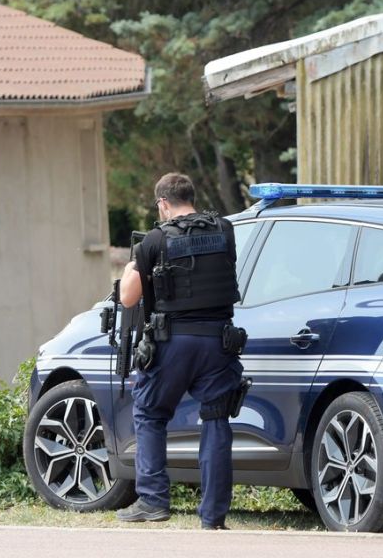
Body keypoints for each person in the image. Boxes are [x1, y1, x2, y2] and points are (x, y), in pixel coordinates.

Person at [115, 173, 246, 530]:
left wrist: (130, 267)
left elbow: (128, 297)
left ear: (163, 203)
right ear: (191, 196)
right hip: (219, 340)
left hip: (173, 341)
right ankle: (213, 518)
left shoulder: (155, 240)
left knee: (150, 413)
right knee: (217, 419)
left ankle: (154, 500)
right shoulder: (224, 230)